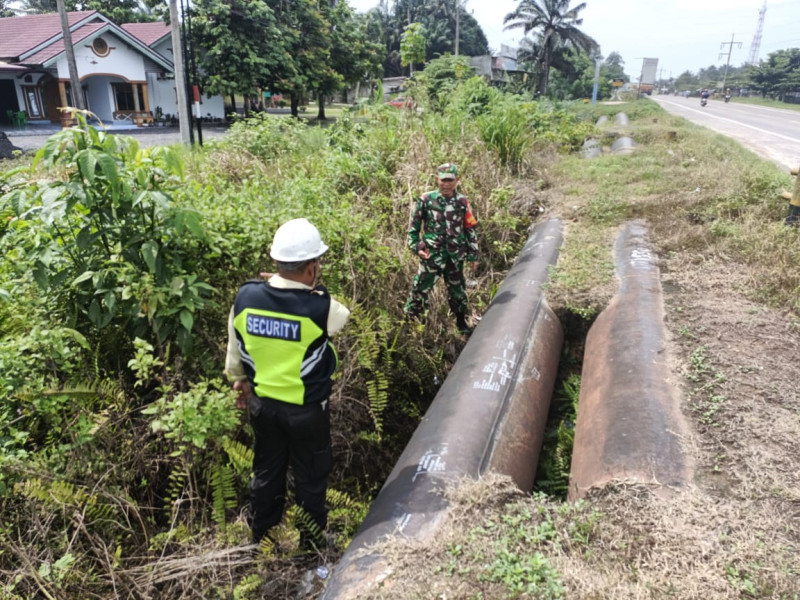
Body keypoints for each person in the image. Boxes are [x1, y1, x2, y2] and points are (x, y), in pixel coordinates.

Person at [224, 218, 350, 547]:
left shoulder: (245, 297)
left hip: (263, 407)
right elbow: (343, 316)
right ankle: (310, 546)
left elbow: (234, 352)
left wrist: (239, 382)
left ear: (275, 262)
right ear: (311, 268)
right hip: (307, 411)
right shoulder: (320, 306)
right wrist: (314, 291)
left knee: (266, 472)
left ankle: (261, 541)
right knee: (310, 477)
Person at [404, 163, 478, 334]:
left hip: (455, 256)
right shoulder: (426, 200)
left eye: (450, 180)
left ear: (456, 180)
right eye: (443, 180)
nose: (446, 184)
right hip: (432, 255)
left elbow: (470, 228)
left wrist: (473, 255)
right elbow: (413, 229)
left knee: (458, 291)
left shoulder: (462, 201)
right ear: (437, 180)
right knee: (419, 290)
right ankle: (409, 326)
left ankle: (461, 323)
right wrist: (416, 247)